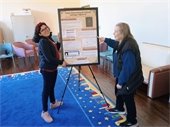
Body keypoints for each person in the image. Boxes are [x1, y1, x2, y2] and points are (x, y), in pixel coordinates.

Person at [99, 22, 143, 127]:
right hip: (122, 75)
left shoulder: (129, 46)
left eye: (116, 31)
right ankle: (119, 108)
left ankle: (132, 121)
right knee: (118, 91)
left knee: (128, 98)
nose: (113, 33)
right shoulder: (123, 41)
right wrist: (104, 39)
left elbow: (128, 68)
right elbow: (116, 44)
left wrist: (121, 81)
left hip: (130, 78)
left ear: (122, 32)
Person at [33, 22, 67, 123]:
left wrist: (59, 41)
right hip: (47, 69)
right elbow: (49, 58)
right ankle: (44, 112)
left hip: (53, 68)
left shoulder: (49, 38)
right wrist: (61, 62)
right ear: (39, 33)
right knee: (46, 90)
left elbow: (56, 49)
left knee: (51, 86)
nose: (46, 29)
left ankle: (53, 103)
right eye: (43, 29)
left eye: (46, 27)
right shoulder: (43, 41)